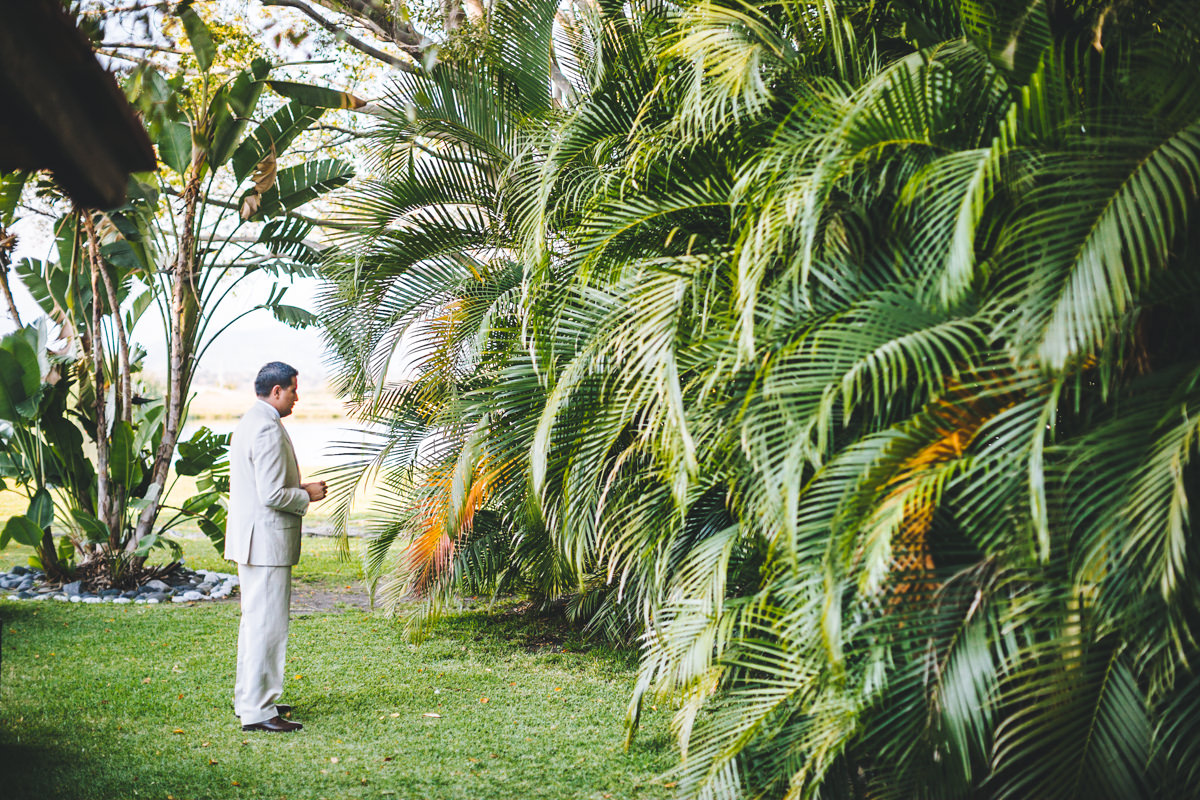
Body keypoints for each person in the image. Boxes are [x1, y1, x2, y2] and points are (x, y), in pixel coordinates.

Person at [226, 361, 326, 732]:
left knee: (256, 624)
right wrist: (306, 494)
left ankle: (249, 698)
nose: (297, 397)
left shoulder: (250, 421)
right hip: (266, 543)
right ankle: (258, 711)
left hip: (254, 540)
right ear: (277, 391)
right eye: (294, 390)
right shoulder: (266, 429)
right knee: (267, 627)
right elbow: (271, 494)